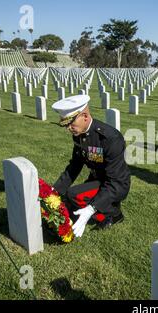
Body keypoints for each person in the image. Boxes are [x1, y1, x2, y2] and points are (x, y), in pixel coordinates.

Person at [52, 95, 131, 238]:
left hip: (116, 183)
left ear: (85, 117)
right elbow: (75, 165)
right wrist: (54, 191)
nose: (68, 129)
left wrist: (91, 209)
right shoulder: (79, 133)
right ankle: (104, 206)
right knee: (67, 199)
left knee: (74, 195)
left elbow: (114, 180)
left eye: (71, 123)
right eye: (66, 124)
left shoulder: (110, 138)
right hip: (97, 178)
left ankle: (114, 214)